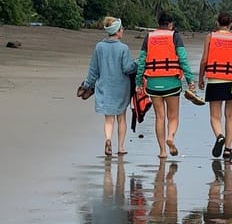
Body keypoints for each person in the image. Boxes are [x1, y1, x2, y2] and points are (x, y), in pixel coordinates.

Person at [135, 11, 196, 158]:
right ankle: (171, 137)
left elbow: (142, 61)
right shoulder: (175, 36)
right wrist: (190, 80)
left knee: (159, 117)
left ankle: (162, 151)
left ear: (158, 24)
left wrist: (138, 82)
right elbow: (183, 59)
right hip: (172, 83)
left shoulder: (149, 37)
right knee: (173, 117)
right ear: (170, 25)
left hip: (153, 83)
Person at [198, 11, 232, 161]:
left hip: (215, 80)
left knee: (215, 116)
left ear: (217, 23)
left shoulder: (210, 37)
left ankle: (219, 136)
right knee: (230, 115)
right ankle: (227, 149)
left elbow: (204, 60)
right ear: (230, 24)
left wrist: (200, 78)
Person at [83, 16, 137, 156]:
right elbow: (127, 68)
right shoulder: (123, 48)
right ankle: (120, 147)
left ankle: (108, 140)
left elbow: (93, 69)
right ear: (118, 32)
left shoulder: (99, 47)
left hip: (104, 87)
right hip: (121, 88)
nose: (123, 30)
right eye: (121, 29)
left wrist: (87, 84)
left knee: (109, 119)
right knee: (122, 118)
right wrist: (136, 64)